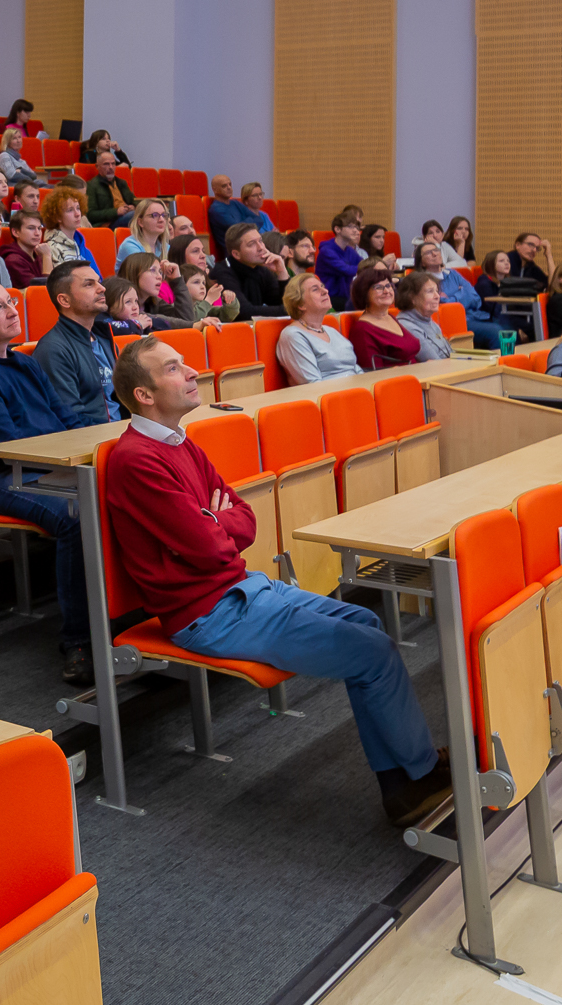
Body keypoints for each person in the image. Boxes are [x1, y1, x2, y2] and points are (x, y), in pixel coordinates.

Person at [105, 334, 452, 822]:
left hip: (241, 589)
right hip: (209, 613)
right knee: (373, 652)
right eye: (173, 368)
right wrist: (214, 522)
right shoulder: (137, 459)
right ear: (143, 394)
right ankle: (414, 777)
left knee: (367, 625)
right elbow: (209, 547)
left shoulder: (181, 442)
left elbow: (245, 520)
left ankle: (401, 779)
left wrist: (213, 519)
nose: (191, 372)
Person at [0, 278, 100, 682]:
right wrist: (69, 465)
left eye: (10, 301)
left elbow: (65, 417)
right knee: (77, 514)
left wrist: (97, 451)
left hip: (52, 465)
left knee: (127, 488)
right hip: (4, 477)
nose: (12, 310)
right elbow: (5, 445)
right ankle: (79, 642)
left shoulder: (25, 362)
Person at [33, 261, 132, 427]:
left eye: (99, 282)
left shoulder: (105, 339)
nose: (102, 288)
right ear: (64, 300)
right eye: (89, 284)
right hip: (93, 438)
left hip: (120, 432)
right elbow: (70, 417)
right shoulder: (52, 349)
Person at [278, 274, 357, 384]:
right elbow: (312, 383)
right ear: (300, 304)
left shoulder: (331, 331)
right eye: (315, 289)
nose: (325, 291)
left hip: (356, 388)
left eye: (323, 286)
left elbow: (355, 368)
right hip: (330, 393)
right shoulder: (293, 335)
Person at [208, 222, 290, 320]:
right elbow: (243, 312)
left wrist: (282, 273)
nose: (261, 247)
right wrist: (291, 310)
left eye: (260, 241)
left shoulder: (261, 269)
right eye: (252, 244)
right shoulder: (223, 272)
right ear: (236, 254)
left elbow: (282, 302)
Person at [347, 268, 418, 371]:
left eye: (388, 286)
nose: (387, 291)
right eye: (378, 287)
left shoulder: (391, 317)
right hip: (398, 379)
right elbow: (373, 373)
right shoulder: (362, 330)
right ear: (364, 292)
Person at [393, 270, 454, 362]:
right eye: (430, 291)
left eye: (437, 291)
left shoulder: (431, 323)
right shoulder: (407, 327)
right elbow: (435, 363)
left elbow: (451, 355)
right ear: (412, 298)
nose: (437, 296)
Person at [315, 212, 364, 307]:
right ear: (337, 229)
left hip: (344, 297)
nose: (355, 231)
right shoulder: (327, 251)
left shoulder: (349, 250)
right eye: (350, 227)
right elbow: (346, 270)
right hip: (328, 297)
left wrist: (378, 264)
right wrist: (369, 266)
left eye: (356, 227)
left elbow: (364, 264)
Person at [39, 186, 92, 267]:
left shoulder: (76, 243)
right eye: (70, 210)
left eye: (78, 208)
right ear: (58, 217)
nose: (77, 214)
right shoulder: (53, 247)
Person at [1, 208, 52, 289]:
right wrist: (47, 256)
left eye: (39, 228)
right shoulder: (13, 261)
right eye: (31, 228)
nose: (37, 233)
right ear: (15, 232)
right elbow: (43, 291)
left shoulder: (37, 254)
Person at [85, 150, 135, 229]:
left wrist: (133, 206)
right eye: (106, 164)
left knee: (149, 213)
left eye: (113, 164)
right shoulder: (91, 186)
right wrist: (116, 212)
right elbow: (90, 214)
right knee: (135, 216)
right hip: (108, 223)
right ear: (97, 166)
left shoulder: (121, 183)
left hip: (127, 215)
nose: (111, 167)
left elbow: (133, 201)